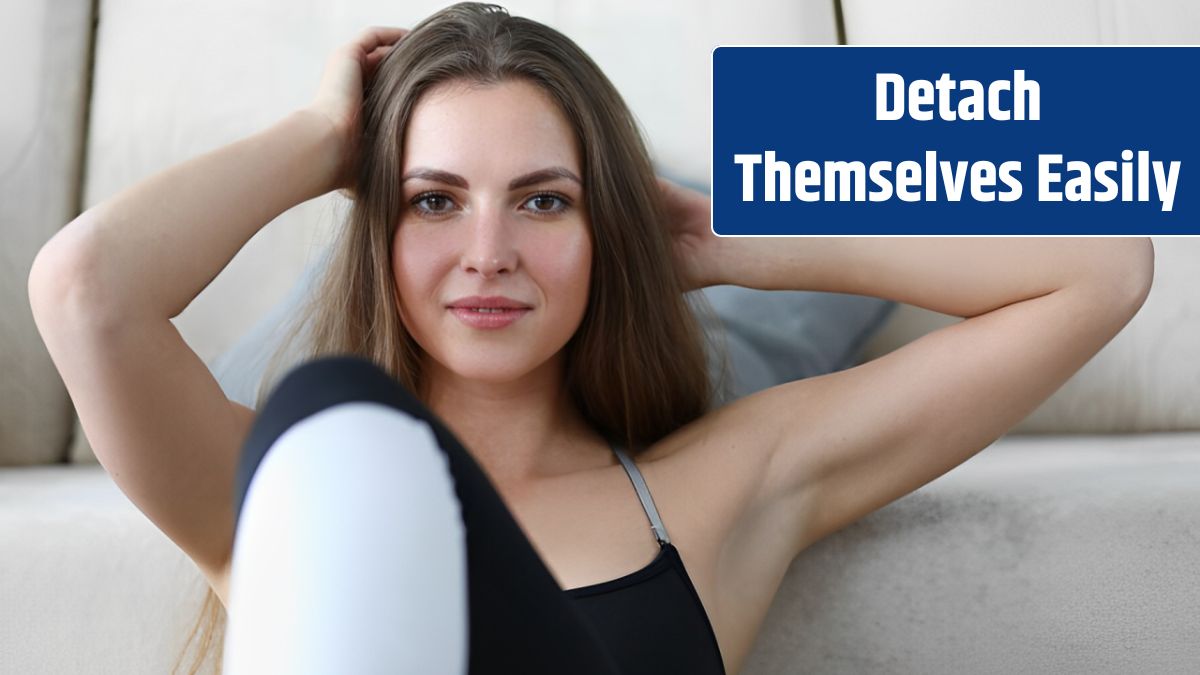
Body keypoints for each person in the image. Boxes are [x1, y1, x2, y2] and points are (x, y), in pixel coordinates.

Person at [26, 3, 1153, 674]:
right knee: (329, 420)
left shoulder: (720, 488)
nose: (488, 251)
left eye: (544, 201)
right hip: (340, 452)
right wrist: (325, 138)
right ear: (376, 227)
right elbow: (86, 290)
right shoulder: (270, 495)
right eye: (433, 201)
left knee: (331, 420)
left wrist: (733, 241)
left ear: (606, 228)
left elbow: (1104, 268)